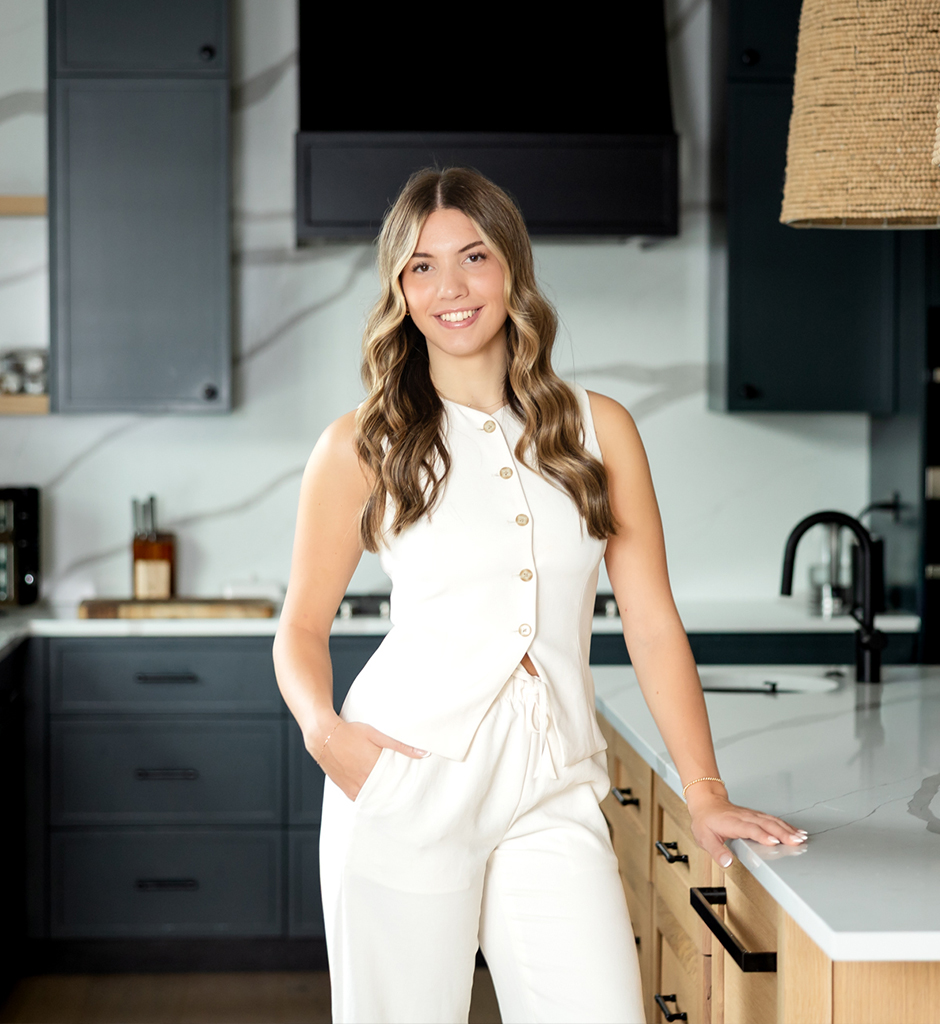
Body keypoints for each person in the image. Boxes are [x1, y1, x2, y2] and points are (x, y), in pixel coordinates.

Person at [273, 167, 806, 1024]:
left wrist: (704, 791)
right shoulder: (362, 444)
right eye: (421, 267)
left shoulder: (599, 429)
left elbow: (653, 621)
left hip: (554, 782)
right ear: (399, 290)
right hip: (405, 778)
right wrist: (325, 734)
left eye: (473, 256)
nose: (450, 287)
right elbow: (300, 626)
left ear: (512, 269)